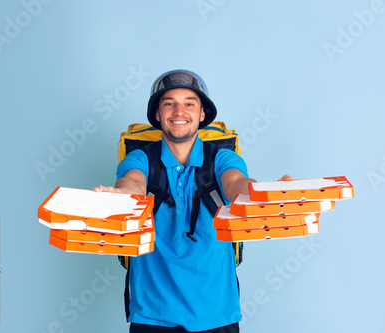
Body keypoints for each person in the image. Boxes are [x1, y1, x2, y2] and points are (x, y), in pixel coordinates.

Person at [94, 69, 291, 333]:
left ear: (202, 115)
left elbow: (236, 183)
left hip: (216, 314)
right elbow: (133, 182)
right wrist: (123, 197)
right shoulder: (140, 158)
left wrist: (261, 193)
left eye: (189, 103)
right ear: (157, 114)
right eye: (169, 103)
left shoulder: (221, 158)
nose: (179, 111)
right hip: (152, 316)